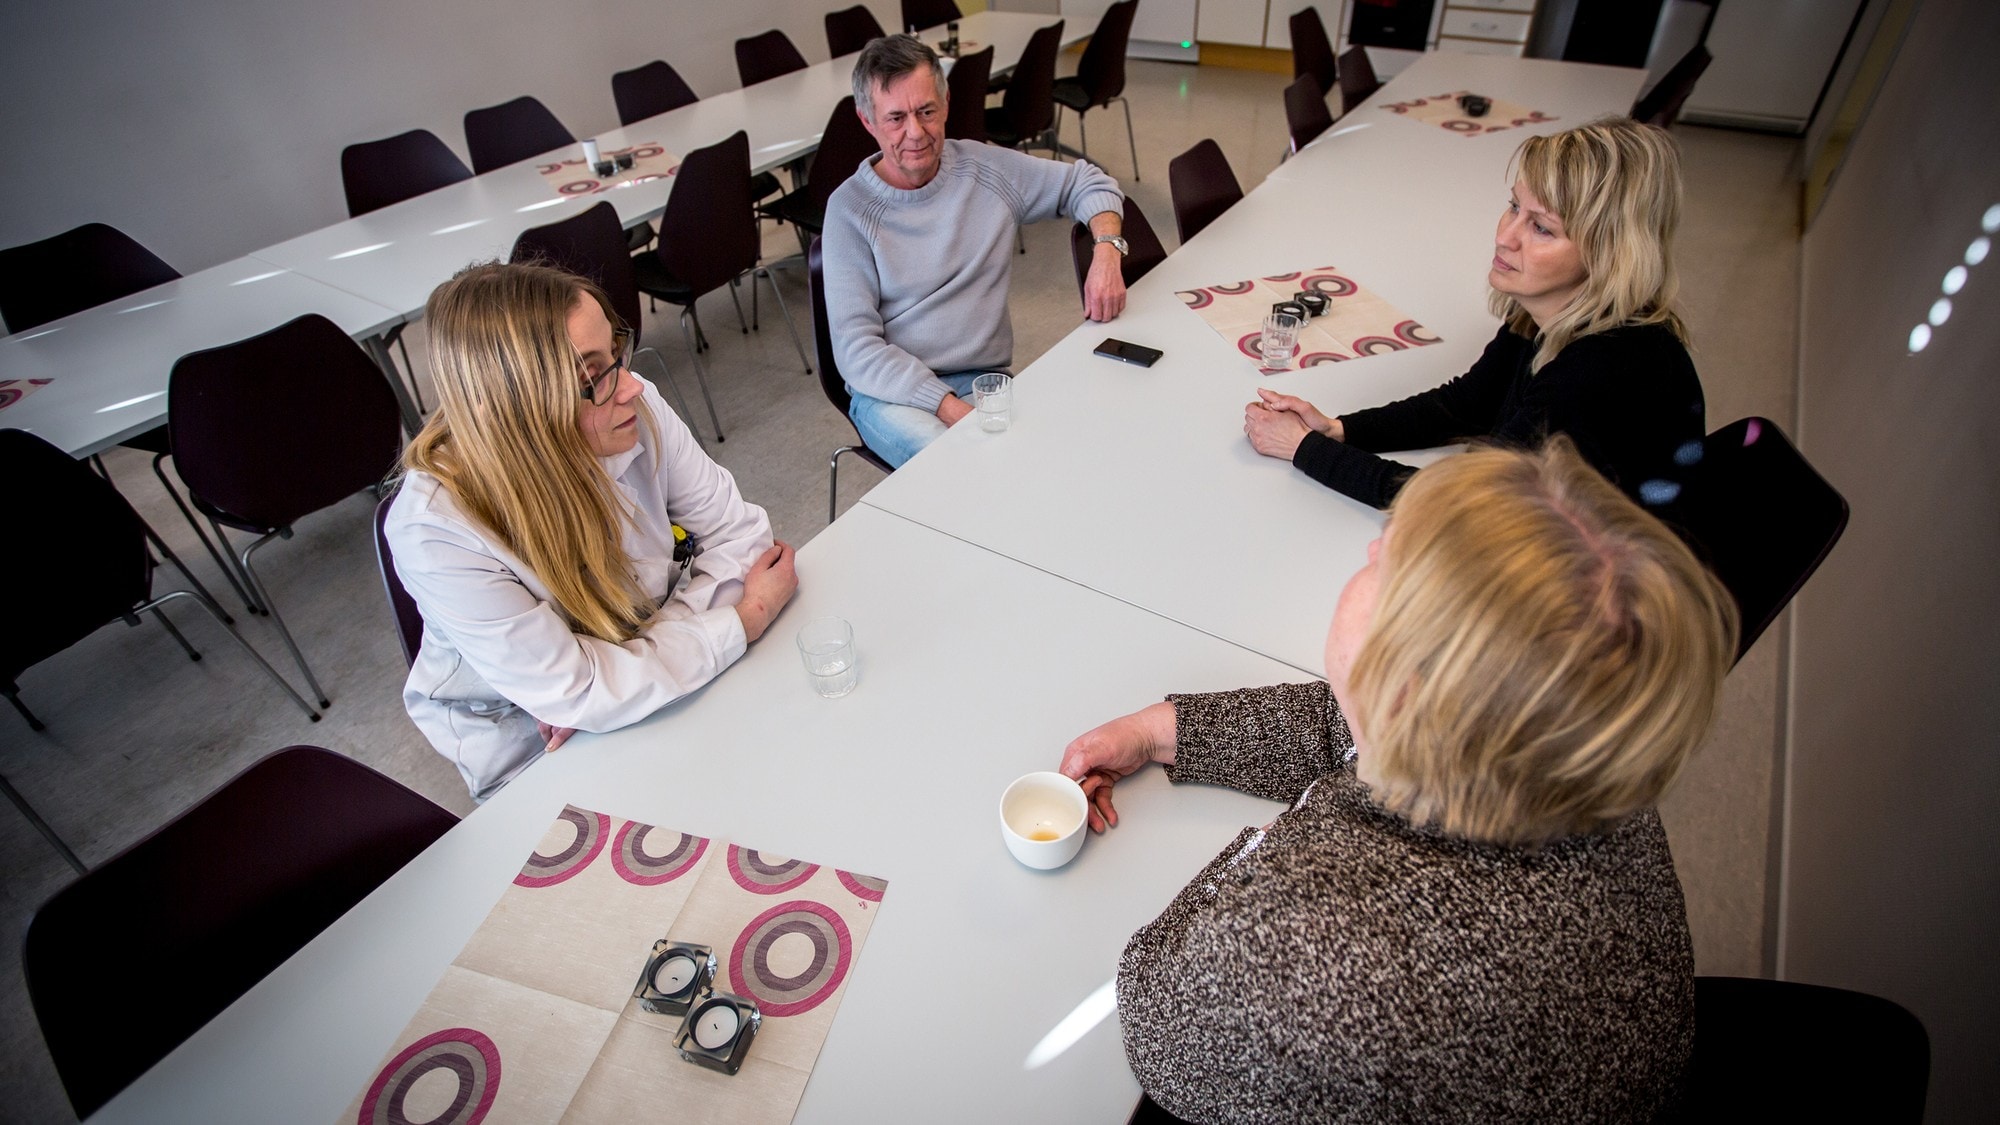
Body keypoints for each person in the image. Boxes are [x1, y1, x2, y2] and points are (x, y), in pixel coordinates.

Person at [1060, 439, 1738, 1122]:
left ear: (1409, 688)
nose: (1366, 555)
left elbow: (1157, 1018)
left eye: (1387, 558)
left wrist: (1259, 849)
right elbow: (1358, 725)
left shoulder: (1316, 960)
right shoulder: (1582, 739)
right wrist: (1163, 728)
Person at [386, 262, 797, 800]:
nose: (629, 387)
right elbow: (575, 692)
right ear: (512, 410)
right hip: (536, 747)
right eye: (589, 377)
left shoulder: (631, 402)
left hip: (616, 682)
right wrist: (744, 618)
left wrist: (611, 681)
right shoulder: (436, 532)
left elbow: (740, 537)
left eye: (615, 353)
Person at [1244, 116, 1706, 509]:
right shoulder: (1547, 311)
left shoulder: (1598, 371)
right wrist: (1340, 430)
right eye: (1513, 207)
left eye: (1542, 228)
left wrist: (1305, 449)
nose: (1506, 236)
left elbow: (1471, 505)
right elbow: (1467, 405)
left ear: (1610, 254)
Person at [822, 33, 1129, 467]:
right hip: (892, 396)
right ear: (867, 121)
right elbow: (856, 351)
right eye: (895, 118)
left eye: (927, 111)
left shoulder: (985, 169)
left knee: (1074, 447)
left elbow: (1089, 183)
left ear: (946, 104)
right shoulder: (849, 211)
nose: (916, 132)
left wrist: (1106, 251)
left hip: (986, 380)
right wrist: (949, 407)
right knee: (970, 465)